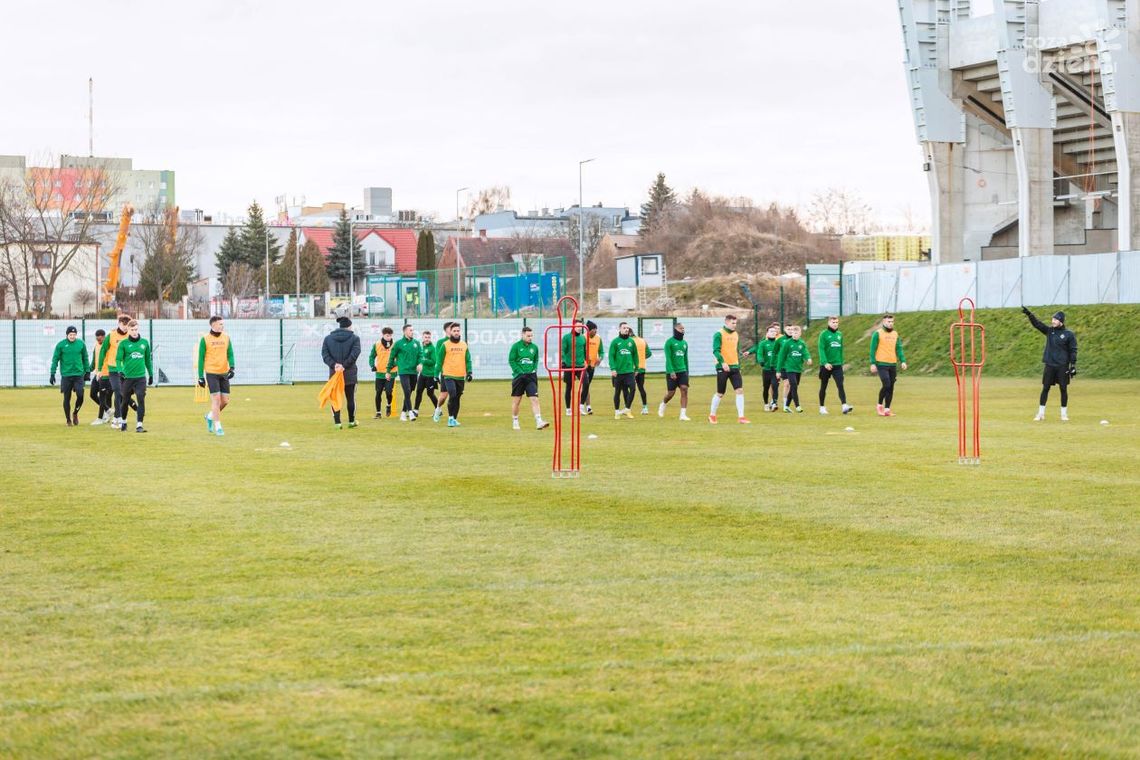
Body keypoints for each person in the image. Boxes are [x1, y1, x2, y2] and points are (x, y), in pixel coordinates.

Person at [1023, 307, 1078, 421]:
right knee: (1045, 388)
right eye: (1053, 319)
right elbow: (1038, 324)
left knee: (1063, 389)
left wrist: (1072, 365)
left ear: (1061, 322)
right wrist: (1029, 314)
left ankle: (1063, 414)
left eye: (1055, 319)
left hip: (1062, 365)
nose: (1053, 321)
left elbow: (1073, 350)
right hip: (1050, 364)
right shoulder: (1050, 331)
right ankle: (1041, 414)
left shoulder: (1069, 334)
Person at [197, 315, 235, 437]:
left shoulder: (227, 337)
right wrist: (200, 376)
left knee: (225, 401)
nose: (222, 326)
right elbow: (201, 358)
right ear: (213, 325)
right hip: (211, 373)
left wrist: (232, 367)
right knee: (216, 399)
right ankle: (218, 426)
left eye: (223, 324)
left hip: (224, 373)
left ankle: (209, 416)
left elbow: (230, 353)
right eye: (220, 324)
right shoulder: (205, 339)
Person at [114, 319, 153, 433]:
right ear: (128, 330)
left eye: (136, 329)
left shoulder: (144, 343)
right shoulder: (124, 344)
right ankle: (124, 422)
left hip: (140, 378)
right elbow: (118, 359)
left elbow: (147, 360)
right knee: (125, 401)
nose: (135, 332)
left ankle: (139, 425)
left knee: (140, 398)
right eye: (132, 330)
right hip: (127, 378)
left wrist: (150, 374)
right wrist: (120, 370)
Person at [322, 316, 362, 429]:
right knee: (351, 398)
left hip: (334, 374)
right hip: (349, 374)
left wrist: (335, 365)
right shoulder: (355, 338)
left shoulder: (328, 339)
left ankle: (337, 422)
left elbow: (325, 355)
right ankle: (351, 421)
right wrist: (344, 366)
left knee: (335, 397)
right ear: (349, 326)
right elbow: (355, 354)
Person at [710, 314, 750, 424]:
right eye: (733, 323)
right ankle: (712, 415)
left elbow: (736, 351)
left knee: (739, 390)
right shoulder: (719, 334)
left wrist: (739, 363)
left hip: (734, 367)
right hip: (722, 367)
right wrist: (722, 363)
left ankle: (741, 417)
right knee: (720, 393)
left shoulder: (736, 334)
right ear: (726, 322)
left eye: (736, 323)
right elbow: (716, 351)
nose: (735, 325)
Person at [508, 326, 550, 430]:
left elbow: (536, 360)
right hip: (519, 377)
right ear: (522, 335)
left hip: (531, 376)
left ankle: (539, 421)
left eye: (531, 335)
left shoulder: (534, 347)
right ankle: (515, 420)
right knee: (517, 401)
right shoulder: (516, 346)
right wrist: (519, 371)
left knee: (535, 399)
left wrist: (534, 369)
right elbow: (511, 360)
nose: (530, 337)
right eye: (528, 336)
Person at [49, 325, 90, 427]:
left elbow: (85, 358)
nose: (72, 336)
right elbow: (55, 359)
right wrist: (52, 373)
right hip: (66, 375)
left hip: (78, 374)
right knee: (67, 398)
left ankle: (75, 413)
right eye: (70, 334)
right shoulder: (61, 345)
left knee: (80, 395)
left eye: (74, 334)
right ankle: (68, 420)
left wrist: (87, 371)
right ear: (67, 335)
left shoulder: (81, 344)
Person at [97, 314, 132, 430]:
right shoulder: (111, 336)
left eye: (127, 325)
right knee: (117, 391)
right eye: (123, 325)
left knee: (124, 394)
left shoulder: (130, 336)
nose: (125, 328)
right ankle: (118, 419)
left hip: (126, 369)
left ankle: (118, 417)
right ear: (119, 324)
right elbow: (103, 352)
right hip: (113, 369)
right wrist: (100, 369)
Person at [870, 314, 907, 417]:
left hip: (892, 364)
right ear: (883, 322)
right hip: (881, 364)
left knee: (891, 387)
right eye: (888, 322)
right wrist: (873, 363)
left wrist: (903, 361)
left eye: (892, 322)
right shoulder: (877, 334)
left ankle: (887, 409)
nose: (890, 324)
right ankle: (879, 405)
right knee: (886, 384)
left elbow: (899, 348)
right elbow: (872, 349)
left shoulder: (895, 334)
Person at [436, 321, 472, 427]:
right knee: (452, 394)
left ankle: (454, 418)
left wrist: (469, 372)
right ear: (450, 332)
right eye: (454, 331)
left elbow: (468, 360)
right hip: (448, 375)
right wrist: (435, 375)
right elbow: (439, 361)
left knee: (457, 397)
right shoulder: (445, 345)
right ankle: (450, 418)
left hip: (460, 376)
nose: (456, 332)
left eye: (458, 331)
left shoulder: (464, 345)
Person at [387, 323, 423, 421]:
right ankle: (410, 412)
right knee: (406, 391)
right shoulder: (398, 344)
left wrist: (420, 363)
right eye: (410, 330)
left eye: (412, 330)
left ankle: (403, 412)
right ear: (405, 331)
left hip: (414, 372)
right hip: (403, 371)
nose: (412, 332)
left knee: (409, 392)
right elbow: (391, 357)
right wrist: (388, 371)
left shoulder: (417, 343)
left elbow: (420, 355)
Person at [817, 316, 852, 415]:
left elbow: (840, 350)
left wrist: (841, 362)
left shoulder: (839, 334)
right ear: (829, 323)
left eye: (836, 322)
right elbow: (821, 349)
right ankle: (822, 407)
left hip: (837, 365)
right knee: (824, 386)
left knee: (840, 385)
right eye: (833, 322)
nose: (835, 324)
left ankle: (844, 406)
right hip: (826, 365)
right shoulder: (823, 334)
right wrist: (825, 363)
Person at [658, 322, 691, 421]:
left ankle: (683, 415)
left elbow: (686, 359)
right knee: (671, 393)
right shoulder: (669, 342)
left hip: (683, 371)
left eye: (683, 329)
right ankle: (663, 403)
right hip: (672, 371)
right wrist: (671, 371)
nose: (683, 330)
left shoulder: (685, 343)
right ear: (676, 329)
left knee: (684, 389)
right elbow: (668, 358)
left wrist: (687, 372)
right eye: (681, 329)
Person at [776, 324, 812, 413]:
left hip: (798, 369)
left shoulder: (802, 343)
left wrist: (808, 358)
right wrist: (778, 370)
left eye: (797, 333)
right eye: (793, 333)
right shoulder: (787, 343)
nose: (795, 334)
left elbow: (805, 352)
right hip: (789, 368)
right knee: (794, 386)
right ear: (792, 333)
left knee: (793, 388)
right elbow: (781, 357)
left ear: (800, 334)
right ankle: (797, 406)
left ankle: (786, 406)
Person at [608, 322, 639, 419]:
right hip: (618, 372)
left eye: (627, 328)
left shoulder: (631, 341)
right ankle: (617, 412)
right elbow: (611, 356)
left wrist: (637, 367)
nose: (626, 329)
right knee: (617, 392)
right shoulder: (615, 342)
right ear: (620, 329)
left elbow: (635, 355)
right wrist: (613, 369)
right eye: (624, 328)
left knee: (633, 388)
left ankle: (627, 409)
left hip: (629, 371)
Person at [560, 322, 588, 416]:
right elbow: (562, 350)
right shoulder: (566, 337)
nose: (580, 328)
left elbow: (585, 351)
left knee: (586, 384)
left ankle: (581, 406)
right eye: (578, 326)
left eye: (581, 326)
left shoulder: (583, 338)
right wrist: (563, 361)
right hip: (569, 366)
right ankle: (568, 409)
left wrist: (586, 361)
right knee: (569, 387)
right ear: (573, 326)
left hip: (580, 366)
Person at [368, 327, 395, 419]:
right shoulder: (377, 344)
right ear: (383, 335)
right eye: (387, 335)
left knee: (388, 392)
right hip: (379, 372)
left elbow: (400, 358)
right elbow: (371, 356)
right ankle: (378, 413)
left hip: (391, 372)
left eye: (390, 336)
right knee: (378, 392)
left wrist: (395, 364)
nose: (389, 337)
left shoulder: (395, 345)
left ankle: (388, 405)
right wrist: (372, 365)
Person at [413, 330, 439, 417]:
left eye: (428, 337)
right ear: (422, 337)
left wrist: (423, 361)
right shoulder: (421, 347)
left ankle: (438, 409)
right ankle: (415, 411)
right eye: (425, 337)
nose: (427, 339)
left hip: (430, 375)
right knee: (418, 392)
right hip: (422, 374)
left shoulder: (432, 348)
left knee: (430, 393)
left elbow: (433, 361)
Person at [756, 324, 781, 412]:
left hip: (776, 369)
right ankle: (766, 403)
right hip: (766, 370)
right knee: (766, 388)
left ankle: (774, 403)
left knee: (775, 386)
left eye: (774, 331)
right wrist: (761, 361)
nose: (773, 333)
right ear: (767, 333)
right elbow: (759, 353)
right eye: (771, 331)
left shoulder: (779, 343)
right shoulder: (763, 343)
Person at [88, 329, 111, 424]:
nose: (99, 341)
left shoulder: (109, 347)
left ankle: (100, 418)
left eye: (100, 339)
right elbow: (94, 362)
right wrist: (87, 370)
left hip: (106, 375)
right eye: (97, 339)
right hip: (97, 374)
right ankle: (108, 410)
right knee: (92, 394)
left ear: (104, 337)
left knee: (103, 397)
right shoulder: (96, 346)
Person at [582, 320, 602, 415]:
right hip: (583, 366)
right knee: (585, 385)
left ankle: (586, 406)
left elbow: (601, 351)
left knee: (587, 386)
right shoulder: (582, 338)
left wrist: (600, 358)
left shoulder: (598, 338)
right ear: (589, 330)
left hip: (592, 366)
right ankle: (586, 406)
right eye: (594, 329)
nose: (596, 331)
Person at [631, 329, 653, 414]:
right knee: (641, 388)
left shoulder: (629, 341)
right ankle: (645, 408)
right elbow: (649, 354)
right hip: (642, 368)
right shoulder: (642, 341)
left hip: (631, 368)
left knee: (629, 388)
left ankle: (627, 407)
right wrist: (641, 358)